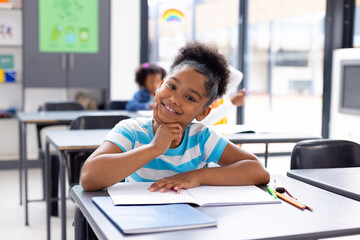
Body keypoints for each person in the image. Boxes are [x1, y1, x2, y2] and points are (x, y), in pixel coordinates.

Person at [81, 42, 270, 192]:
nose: (174, 99)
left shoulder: (201, 138)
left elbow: (258, 171)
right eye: (171, 86)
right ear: (159, 86)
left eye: (190, 98)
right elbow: (89, 178)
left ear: (203, 112)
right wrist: (154, 148)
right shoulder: (131, 131)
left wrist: (196, 176)